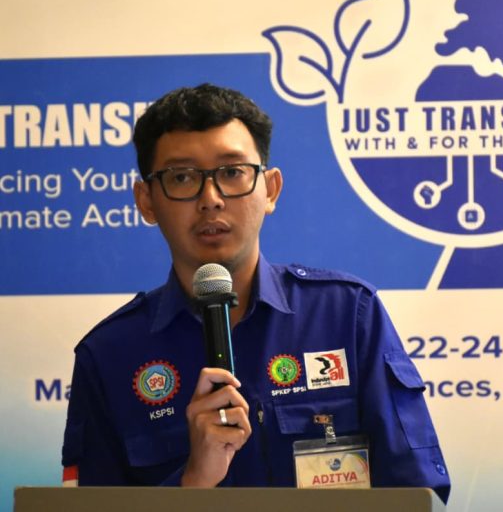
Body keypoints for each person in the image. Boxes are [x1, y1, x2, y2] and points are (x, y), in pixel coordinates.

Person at [62, 83, 450, 502]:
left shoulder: (347, 314)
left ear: (271, 190)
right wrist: (192, 482)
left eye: (232, 173)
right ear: (146, 201)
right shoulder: (109, 355)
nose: (210, 199)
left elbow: (417, 495)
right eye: (182, 177)